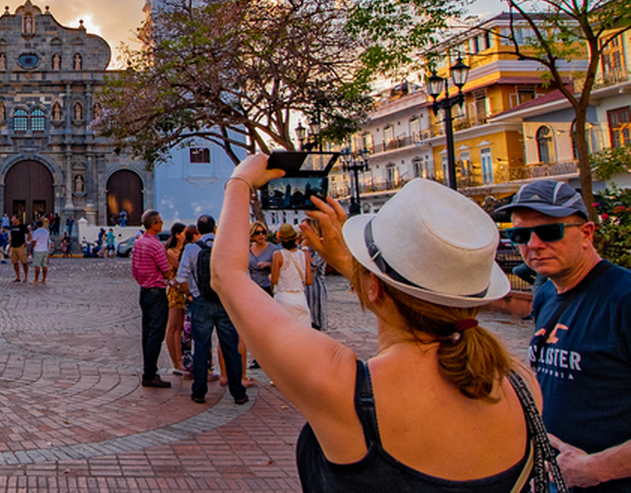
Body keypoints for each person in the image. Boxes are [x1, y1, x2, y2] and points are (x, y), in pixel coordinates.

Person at [216, 156, 557, 492]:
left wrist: (240, 182)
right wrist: (365, 273)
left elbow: (228, 277)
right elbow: (413, 308)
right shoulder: (520, 382)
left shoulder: (345, 389)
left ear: (375, 286)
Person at [493, 180, 631, 491]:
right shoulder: (546, 296)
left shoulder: (623, 299)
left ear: (587, 233)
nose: (534, 244)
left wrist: (598, 468)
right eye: (520, 235)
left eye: (550, 231)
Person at [177, 214, 249, 406]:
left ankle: (199, 391)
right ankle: (238, 392)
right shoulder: (226, 247)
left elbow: (181, 278)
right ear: (215, 228)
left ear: (198, 230)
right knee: (230, 348)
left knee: (200, 348)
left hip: (201, 302)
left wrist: (190, 295)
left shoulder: (192, 248)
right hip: (224, 301)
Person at [131, 209, 172, 389]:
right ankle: (150, 373)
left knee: (147, 332)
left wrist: (143, 280)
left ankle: (149, 370)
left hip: (145, 291)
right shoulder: (156, 245)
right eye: (160, 222)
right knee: (156, 333)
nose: (162, 224)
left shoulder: (139, 243)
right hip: (157, 291)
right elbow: (165, 269)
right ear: (154, 224)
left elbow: (134, 269)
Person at [271, 223, 312, 325]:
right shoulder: (303, 255)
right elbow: (309, 281)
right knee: (303, 332)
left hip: (283, 298)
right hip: (300, 298)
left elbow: (274, 280)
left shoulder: (278, 255)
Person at [164, 222, 190, 375]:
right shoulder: (171, 252)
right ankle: (175, 361)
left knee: (180, 327)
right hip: (174, 291)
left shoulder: (183, 249)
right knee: (173, 326)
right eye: (184, 232)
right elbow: (181, 267)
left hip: (182, 290)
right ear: (177, 234)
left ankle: (180, 359)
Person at [302, 219, 328, 330]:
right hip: (302, 290)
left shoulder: (321, 247)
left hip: (315, 289)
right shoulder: (301, 247)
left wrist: (305, 249)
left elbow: (313, 265)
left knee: (316, 322)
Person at [248, 222, 277, 295]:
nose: (261, 235)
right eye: (257, 233)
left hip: (268, 287)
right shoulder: (248, 248)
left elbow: (279, 269)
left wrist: (269, 265)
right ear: (252, 234)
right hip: (252, 287)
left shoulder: (273, 249)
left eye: (263, 232)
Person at [8, 216, 30, 281]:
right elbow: (11, 237)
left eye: (14, 219)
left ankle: (26, 277)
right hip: (14, 246)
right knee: (15, 262)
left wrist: (27, 241)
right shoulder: (12, 227)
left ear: (17, 219)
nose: (13, 220)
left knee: (24, 262)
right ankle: (18, 277)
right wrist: (9, 247)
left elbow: (29, 233)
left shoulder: (22, 226)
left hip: (21, 246)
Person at [31, 219, 51, 284]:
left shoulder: (36, 232)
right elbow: (47, 240)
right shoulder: (46, 232)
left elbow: (34, 241)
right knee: (44, 265)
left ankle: (36, 279)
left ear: (36, 225)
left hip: (38, 250)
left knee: (37, 266)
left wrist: (31, 249)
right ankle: (44, 279)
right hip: (45, 249)